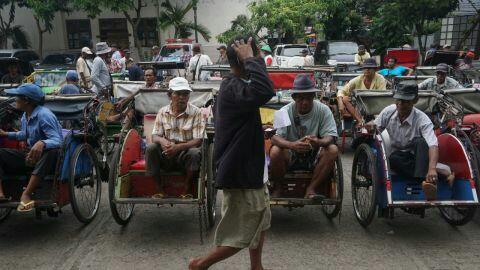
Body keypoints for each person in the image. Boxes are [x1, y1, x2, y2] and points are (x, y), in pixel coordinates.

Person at [189, 36, 275, 270]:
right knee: (242, 232)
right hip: (241, 173)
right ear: (245, 61)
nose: (258, 60)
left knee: (260, 222)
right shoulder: (232, 87)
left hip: (252, 169)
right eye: (254, 56)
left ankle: (256, 267)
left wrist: (252, 60)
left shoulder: (238, 85)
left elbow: (261, 86)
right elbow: (266, 90)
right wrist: (251, 59)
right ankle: (200, 264)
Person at [370, 83, 454, 200]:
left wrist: (432, 168)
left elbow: (433, 145)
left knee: (421, 142)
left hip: (420, 157)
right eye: (398, 100)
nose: (400, 104)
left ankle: (427, 176)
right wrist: (369, 127)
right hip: (400, 157)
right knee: (393, 159)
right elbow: (375, 130)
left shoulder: (422, 119)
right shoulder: (388, 112)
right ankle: (439, 175)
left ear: (415, 100)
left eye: (405, 101)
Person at [270, 74, 338, 199]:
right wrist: (292, 145)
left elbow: (331, 136)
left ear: (314, 96)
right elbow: (275, 137)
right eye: (301, 98)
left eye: (308, 98)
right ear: (294, 97)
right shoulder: (284, 111)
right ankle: (279, 187)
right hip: (290, 154)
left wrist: (319, 142)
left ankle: (311, 189)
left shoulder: (323, 110)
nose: (305, 102)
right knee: (275, 151)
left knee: (333, 149)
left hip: (314, 155)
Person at [0, 84, 63, 211]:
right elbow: (25, 134)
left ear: (26, 100)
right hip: (31, 156)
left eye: (17, 97)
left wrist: (42, 143)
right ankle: (0, 193)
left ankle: (27, 193)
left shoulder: (44, 115)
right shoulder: (25, 115)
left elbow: (58, 140)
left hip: (48, 159)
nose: (15, 99)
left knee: (51, 151)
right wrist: (6, 134)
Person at [145, 77, 205, 199]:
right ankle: (159, 189)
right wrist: (162, 141)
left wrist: (178, 147)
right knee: (151, 148)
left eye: (185, 94)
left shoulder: (196, 112)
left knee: (195, 152)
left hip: (185, 156)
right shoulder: (162, 112)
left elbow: (198, 140)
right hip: (166, 154)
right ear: (170, 95)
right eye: (178, 93)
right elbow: (155, 136)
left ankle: (187, 188)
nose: (182, 97)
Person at [337, 58, 387, 124]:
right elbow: (342, 91)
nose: (367, 70)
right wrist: (340, 102)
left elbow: (382, 95)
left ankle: (374, 123)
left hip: (376, 105)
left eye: (369, 68)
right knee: (345, 99)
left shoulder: (380, 79)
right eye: (365, 68)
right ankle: (360, 121)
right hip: (360, 105)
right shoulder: (358, 79)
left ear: (375, 69)